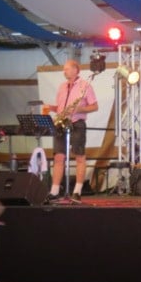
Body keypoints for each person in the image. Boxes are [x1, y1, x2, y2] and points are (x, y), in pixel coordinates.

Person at [45, 59, 98, 203]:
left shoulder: (85, 85)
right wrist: (52, 108)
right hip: (61, 123)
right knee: (58, 157)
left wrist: (80, 108)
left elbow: (94, 106)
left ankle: (77, 191)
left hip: (77, 123)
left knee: (79, 157)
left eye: (67, 69)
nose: (64, 71)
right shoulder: (62, 86)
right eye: (64, 69)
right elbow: (61, 107)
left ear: (75, 69)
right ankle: (54, 191)